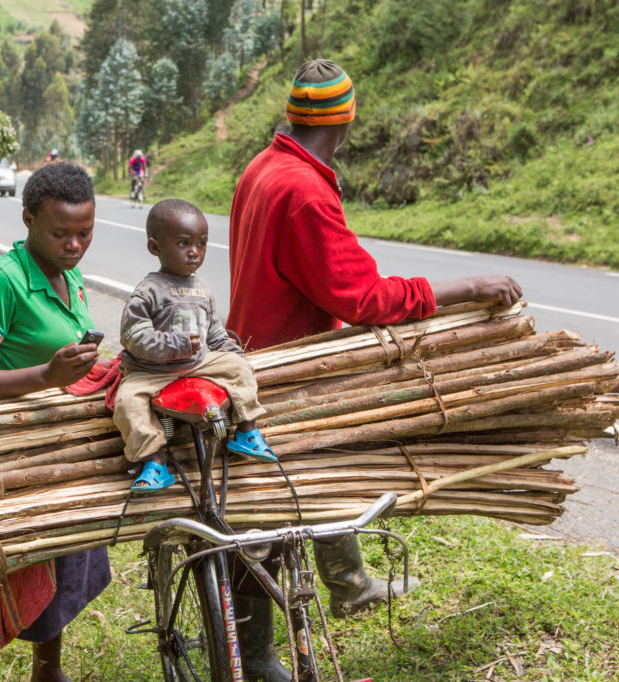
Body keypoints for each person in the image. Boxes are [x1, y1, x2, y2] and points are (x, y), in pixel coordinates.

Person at [227, 58, 523, 680]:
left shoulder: (265, 166)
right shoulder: (303, 190)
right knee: (269, 516)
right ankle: (254, 660)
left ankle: (351, 583)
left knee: (327, 473)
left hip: (259, 348)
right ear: (348, 118)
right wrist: (468, 285)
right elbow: (362, 299)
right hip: (288, 371)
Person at [0, 162, 110, 682]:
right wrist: (45, 373)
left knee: (58, 558)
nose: (74, 245)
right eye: (60, 233)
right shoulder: (2, 282)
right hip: (4, 455)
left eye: (84, 233)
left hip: (57, 452)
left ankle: (48, 671)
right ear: (28, 220)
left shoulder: (69, 276)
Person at [114, 199, 274, 493]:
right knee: (127, 402)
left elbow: (213, 330)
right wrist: (174, 345)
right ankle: (153, 460)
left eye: (201, 243)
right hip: (151, 370)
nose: (194, 252)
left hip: (198, 362)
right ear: (155, 247)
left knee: (239, 368)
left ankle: (247, 430)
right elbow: (133, 336)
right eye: (184, 243)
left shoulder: (201, 287)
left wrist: (228, 350)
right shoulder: (147, 291)